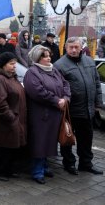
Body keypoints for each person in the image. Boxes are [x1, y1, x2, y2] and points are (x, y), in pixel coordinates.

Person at [54, 37, 103, 175]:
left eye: (76, 47)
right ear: (66, 48)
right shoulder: (59, 65)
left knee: (86, 139)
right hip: (70, 111)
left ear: (81, 47)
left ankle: (86, 163)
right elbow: (58, 88)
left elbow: (97, 83)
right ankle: (69, 163)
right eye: (71, 47)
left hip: (88, 110)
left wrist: (98, 103)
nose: (74, 50)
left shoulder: (89, 61)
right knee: (67, 138)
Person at [23, 45, 71, 184]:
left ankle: (44, 166)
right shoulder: (32, 72)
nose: (48, 58)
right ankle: (37, 171)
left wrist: (66, 99)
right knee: (39, 141)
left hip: (55, 114)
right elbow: (37, 92)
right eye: (44, 56)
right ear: (37, 58)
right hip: (40, 115)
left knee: (49, 141)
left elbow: (66, 84)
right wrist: (57, 100)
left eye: (49, 55)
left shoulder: (53, 70)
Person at [0, 52, 27, 182]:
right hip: (5, 121)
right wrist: (11, 117)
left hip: (15, 119)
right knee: (3, 147)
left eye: (15, 63)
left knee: (11, 147)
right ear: (3, 65)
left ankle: (8, 170)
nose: (14, 66)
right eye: (11, 63)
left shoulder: (12, 77)